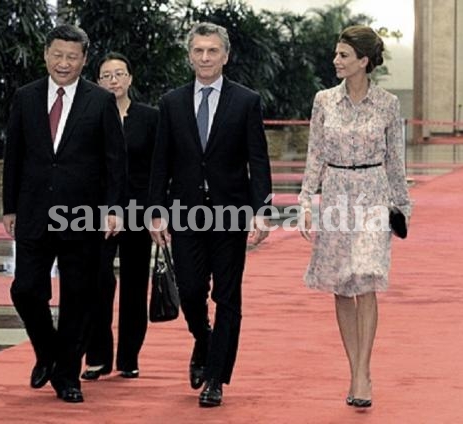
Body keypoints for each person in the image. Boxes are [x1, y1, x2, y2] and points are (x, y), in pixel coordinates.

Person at [148, 21, 272, 408]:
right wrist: (155, 212)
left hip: (230, 214)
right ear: (190, 55)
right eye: (198, 51)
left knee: (228, 296)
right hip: (184, 214)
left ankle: (216, 378)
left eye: (212, 51)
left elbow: (258, 159)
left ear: (225, 55)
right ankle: (204, 341)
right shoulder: (171, 102)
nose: (205, 57)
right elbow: (160, 161)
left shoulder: (246, 101)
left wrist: (261, 210)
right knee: (190, 292)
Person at [2, 24, 126, 403]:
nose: (64, 63)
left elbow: (114, 161)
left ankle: (67, 375)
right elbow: (14, 156)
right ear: (45, 54)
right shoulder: (26, 98)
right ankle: (48, 352)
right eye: (57, 54)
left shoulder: (99, 101)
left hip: (82, 216)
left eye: (72, 57)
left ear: (84, 60)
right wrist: (9, 207)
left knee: (78, 296)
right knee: (24, 289)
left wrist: (114, 210)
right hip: (34, 211)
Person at [298, 25, 412, 408]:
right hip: (335, 197)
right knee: (342, 285)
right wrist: (304, 202)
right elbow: (315, 154)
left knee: (366, 279)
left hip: (374, 194)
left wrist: (402, 207)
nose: (336, 61)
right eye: (336, 54)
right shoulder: (323, 101)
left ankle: (363, 373)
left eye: (344, 55)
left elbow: (396, 160)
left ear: (364, 61)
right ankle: (354, 368)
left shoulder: (388, 105)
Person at [81, 52, 158, 380]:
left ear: (130, 78)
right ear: (98, 82)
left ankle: (129, 357)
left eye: (119, 74)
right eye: (106, 76)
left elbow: (159, 168)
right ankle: (97, 356)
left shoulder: (150, 117)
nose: (114, 81)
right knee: (97, 280)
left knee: (135, 284)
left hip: (139, 211)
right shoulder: (89, 116)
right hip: (98, 212)